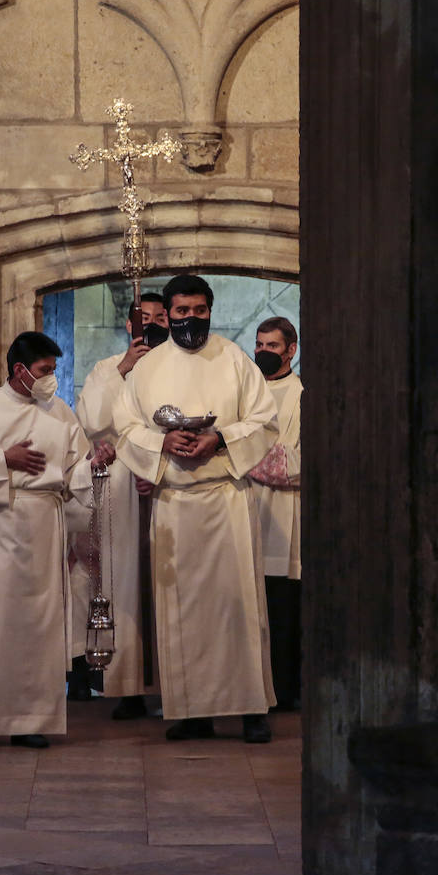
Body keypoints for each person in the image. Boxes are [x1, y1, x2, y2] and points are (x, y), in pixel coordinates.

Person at [114, 274, 279, 743]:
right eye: (182, 312)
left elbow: (263, 420)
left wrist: (220, 438)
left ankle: (251, 709)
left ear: (210, 309)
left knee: (239, 608)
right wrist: (162, 441)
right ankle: (191, 711)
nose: (191, 320)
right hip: (175, 504)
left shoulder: (233, 359)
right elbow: (124, 428)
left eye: (200, 311)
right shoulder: (147, 368)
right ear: (167, 314)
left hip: (225, 498)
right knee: (181, 613)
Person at [0, 331, 111, 749]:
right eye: (44, 371)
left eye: (54, 370)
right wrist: (4, 459)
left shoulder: (60, 413)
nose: (50, 379)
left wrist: (94, 463)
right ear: (19, 370)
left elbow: (74, 473)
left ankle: (30, 720)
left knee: (39, 625)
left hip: (43, 524)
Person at [74, 293, 169, 720]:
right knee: (124, 582)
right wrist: (123, 369)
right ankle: (128, 686)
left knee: (167, 581)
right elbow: (92, 420)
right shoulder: (105, 369)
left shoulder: (177, 369)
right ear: (130, 327)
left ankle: (175, 686)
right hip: (121, 486)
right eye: (143, 319)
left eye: (159, 317)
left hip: (166, 482)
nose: (151, 325)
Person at [247, 317, 302, 711]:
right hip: (245, 512)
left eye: (272, 346)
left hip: (286, 519)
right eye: (260, 345)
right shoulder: (245, 395)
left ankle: (283, 691)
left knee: (283, 610)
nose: (264, 352)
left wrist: (242, 456)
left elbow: (295, 463)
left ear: (291, 350)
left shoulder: (303, 395)